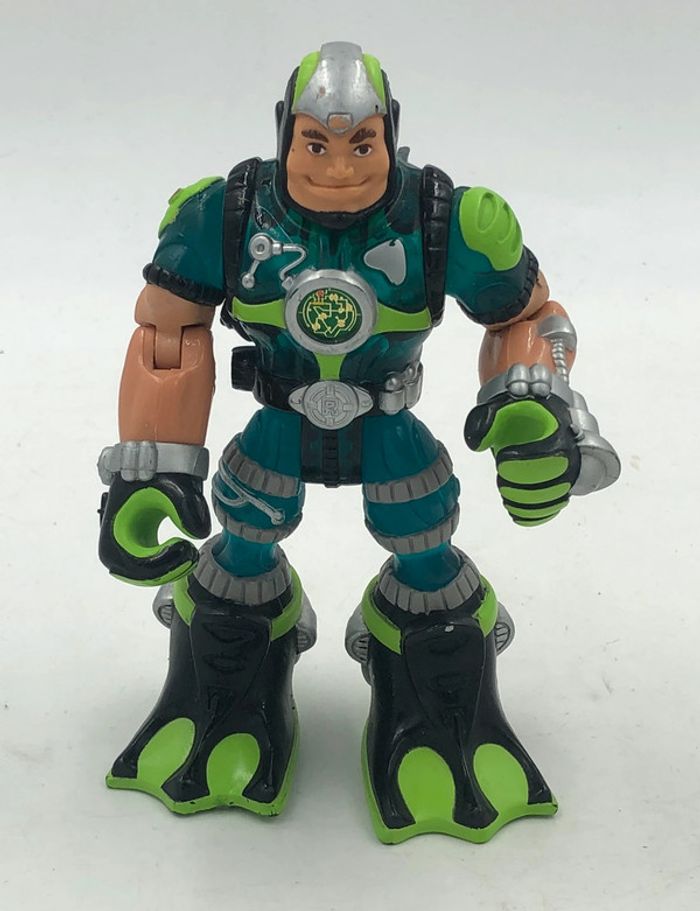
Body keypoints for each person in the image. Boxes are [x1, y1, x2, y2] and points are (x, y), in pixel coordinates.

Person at [97, 42, 619, 843]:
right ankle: (225, 690)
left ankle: (437, 703)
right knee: (244, 538)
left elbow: (529, 317)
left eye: (361, 144)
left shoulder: (446, 219)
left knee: (425, 544)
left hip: (386, 423)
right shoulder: (227, 214)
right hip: (278, 417)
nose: (338, 168)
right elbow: (167, 336)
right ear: (284, 133)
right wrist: (151, 469)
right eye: (316, 145)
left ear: (390, 134)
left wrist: (534, 400)